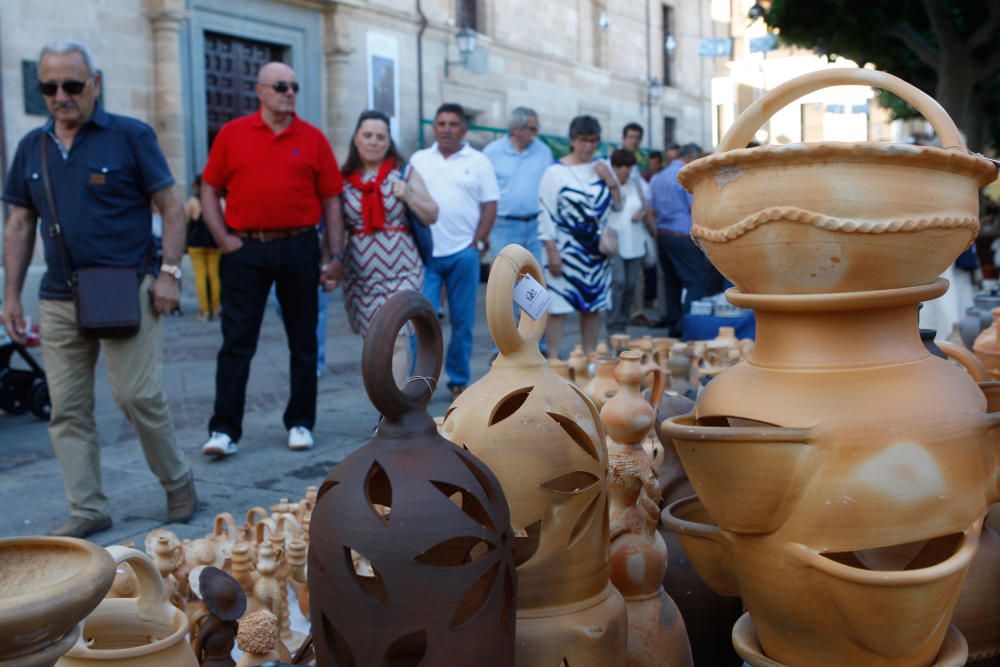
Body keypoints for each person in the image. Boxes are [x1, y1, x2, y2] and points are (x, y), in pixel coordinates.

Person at [1, 40, 196, 538]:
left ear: (95, 83)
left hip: (127, 287)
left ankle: (178, 482)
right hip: (59, 296)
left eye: (72, 84)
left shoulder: (130, 136)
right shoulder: (32, 147)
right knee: (67, 407)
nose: (61, 95)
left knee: (137, 396)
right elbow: (20, 225)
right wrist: (10, 296)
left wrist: (170, 274)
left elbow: (171, 207)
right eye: (49, 86)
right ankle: (87, 507)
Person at [199, 61, 344, 457]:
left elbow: (332, 199)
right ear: (260, 91)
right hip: (246, 249)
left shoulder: (313, 138)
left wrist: (335, 255)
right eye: (281, 86)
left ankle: (300, 422)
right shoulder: (232, 134)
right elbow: (209, 189)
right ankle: (224, 430)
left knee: (304, 340)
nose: (289, 92)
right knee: (236, 341)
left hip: (298, 246)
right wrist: (222, 238)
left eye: (294, 86)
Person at [339, 110, 438, 383]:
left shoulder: (404, 173)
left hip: (403, 271)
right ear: (356, 139)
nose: (373, 141)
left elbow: (432, 213)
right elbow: (334, 228)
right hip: (361, 277)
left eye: (380, 136)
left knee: (397, 339)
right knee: (374, 345)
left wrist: (409, 195)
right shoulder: (342, 179)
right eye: (367, 135)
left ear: (388, 141)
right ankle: (382, 405)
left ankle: (392, 415)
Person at [410, 103, 498, 399]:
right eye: (441, 124)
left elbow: (490, 204)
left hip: (464, 252)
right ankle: (417, 380)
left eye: (453, 124)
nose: (446, 129)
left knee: (462, 322)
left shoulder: (479, 161)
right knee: (421, 319)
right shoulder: (419, 160)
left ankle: (458, 378)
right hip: (426, 254)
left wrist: (478, 240)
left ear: (463, 129)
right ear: (434, 128)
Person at [539, 115, 621, 357]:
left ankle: (590, 358)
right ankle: (553, 358)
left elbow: (618, 206)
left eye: (593, 140)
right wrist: (552, 253)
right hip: (564, 251)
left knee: (593, 306)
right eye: (583, 140)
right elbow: (545, 215)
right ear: (572, 140)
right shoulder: (555, 172)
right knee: (557, 307)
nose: (588, 146)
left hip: (597, 253)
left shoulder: (602, 167)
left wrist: (610, 180)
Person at [649, 142, 712, 337]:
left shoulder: (658, 178)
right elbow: (695, 209)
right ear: (691, 158)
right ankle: (688, 326)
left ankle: (674, 324)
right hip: (683, 236)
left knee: (671, 283)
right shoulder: (685, 177)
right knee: (695, 281)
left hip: (663, 235)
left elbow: (651, 209)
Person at [483, 107, 553, 265]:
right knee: (505, 281)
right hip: (503, 227)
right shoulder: (491, 152)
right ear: (516, 129)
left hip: (536, 227)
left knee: (535, 282)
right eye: (533, 129)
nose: (537, 133)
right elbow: (483, 193)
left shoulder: (544, 152)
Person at [606, 149, 652, 335]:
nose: (625, 170)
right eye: (621, 166)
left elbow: (644, 205)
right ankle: (613, 324)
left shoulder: (636, 185)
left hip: (635, 241)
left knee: (631, 285)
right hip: (616, 242)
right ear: (614, 167)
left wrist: (641, 214)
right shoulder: (609, 186)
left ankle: (623, 325)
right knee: (619, 283)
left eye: (628, 166)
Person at [185, 174, 221, 321]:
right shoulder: (216, 200)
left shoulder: (193, 201)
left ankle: (204, 311)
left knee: (200, 276)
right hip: (214, 242)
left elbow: (185, 221)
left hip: (196, 242)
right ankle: (215, 308)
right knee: (214, 275)